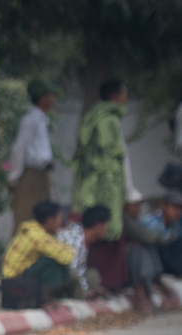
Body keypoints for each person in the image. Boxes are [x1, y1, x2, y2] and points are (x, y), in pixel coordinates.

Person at [72, 78, 132, 290]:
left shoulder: (93, 116)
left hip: (92, 186)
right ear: (115, 97)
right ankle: (106, 283)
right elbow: (108, 157)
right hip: (106, 186)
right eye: (125, 95)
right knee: (106, 232)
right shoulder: (108, 120)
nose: (127, 99)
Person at [2, 201, 80, 300]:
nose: (60, 222)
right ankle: (48, 298)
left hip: (11, 280)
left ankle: (54, 296)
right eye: (59, 218)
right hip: (16, 282)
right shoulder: (38, 236)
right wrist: (67, 248)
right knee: (50, 262)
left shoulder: (31, 228)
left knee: (52, 260)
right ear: (51, 220)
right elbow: (66, 258)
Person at [8, 78, 56, 229]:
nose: (53, 99)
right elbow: (19, 149)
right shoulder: (30, 120)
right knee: (27, 218)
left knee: (44, 222)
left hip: (41, 174)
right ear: (42, 98)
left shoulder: (43, 119)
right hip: (30, 175)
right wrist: (14, 177)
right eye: (50, 95)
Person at [124, 190, 171, 312]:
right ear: (126, 206)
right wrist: (153, 237)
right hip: (125, 259)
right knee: (140, 248)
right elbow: (149, 237)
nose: (138, 208)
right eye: (134, 204)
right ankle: (140, 291)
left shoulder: (135, 220)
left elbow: (150, 236)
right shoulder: (126, 219)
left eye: (139, 204)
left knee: (147, 246)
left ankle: (154, 282)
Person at [56, 205, 111, 298]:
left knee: (93, 276)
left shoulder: (84, 238)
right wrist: (85, 291)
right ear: (98, 226)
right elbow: (70, 270)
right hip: (56, 277)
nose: (107, 229)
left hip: (71, 278)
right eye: (105, 225)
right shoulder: (74, 238)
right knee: (73, 276)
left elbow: (80, 270)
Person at [143, 190, 182, 277]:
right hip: (154, 261)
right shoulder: (150, 223)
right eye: (175, 208)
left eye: (180, 209)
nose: (179, 212)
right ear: (163, 206)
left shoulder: (177, 223)